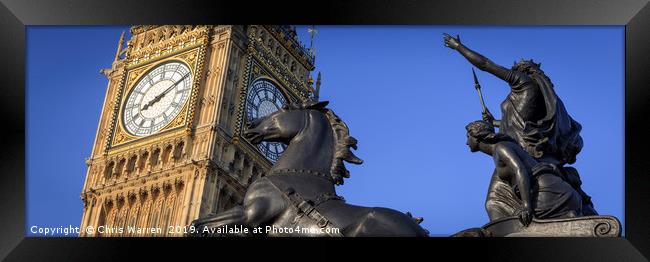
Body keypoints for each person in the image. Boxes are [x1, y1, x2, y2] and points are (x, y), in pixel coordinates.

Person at [444, 33, 596, 219]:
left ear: (522, 72)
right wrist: (495, 122)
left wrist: (458, 47)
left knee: (494, 202)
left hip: (517, 153)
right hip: (522, 151)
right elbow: (523, 125)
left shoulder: (524, 83)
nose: (511, 73)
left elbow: (486, 65)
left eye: (514, 70)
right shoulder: (541, 97)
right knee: (494, 203)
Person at [465, 120, 583, 225]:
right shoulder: (501, 148)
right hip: (553, 192)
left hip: (550, 195)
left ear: (476, 136)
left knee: (517, 222)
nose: (467, 142)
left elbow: (520, 170)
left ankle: (563, 215)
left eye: (468, 136)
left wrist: (526, 206)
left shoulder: (501, 148)